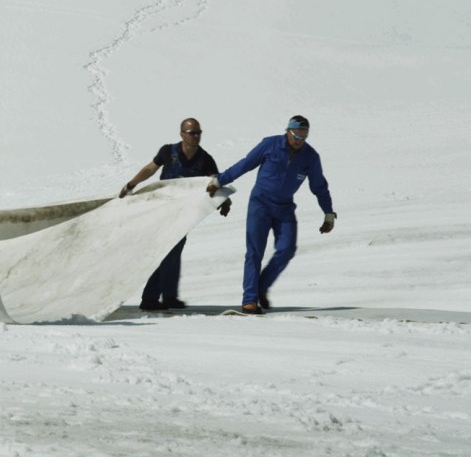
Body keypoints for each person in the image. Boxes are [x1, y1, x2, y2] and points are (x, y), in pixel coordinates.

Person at [207, 115, 335, 315]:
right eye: (297, 135)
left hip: (284, 207)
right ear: (288, 131)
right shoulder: (270, 144)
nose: (300, 140)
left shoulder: (310, 156)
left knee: (287, 249)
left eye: (304, 136)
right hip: (260, 204)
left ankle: (261, 287)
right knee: (254, 252)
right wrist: (219, 180)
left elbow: (319, 186)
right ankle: (249, 300)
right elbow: (245, 164)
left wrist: (328, 212)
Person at [119, 118, 232, 311]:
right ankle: (150, 298)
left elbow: (215, 181)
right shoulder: (168, 151)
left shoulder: (205, 158)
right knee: (165, 251)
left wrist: (225, 200)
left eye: (198, 132)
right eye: (192, 133)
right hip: (162, 210)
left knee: (174, 252)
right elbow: (150, 169)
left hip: (184, 213)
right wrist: (131, 184)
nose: (196, 136)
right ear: (182, 134)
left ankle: (169, 296)